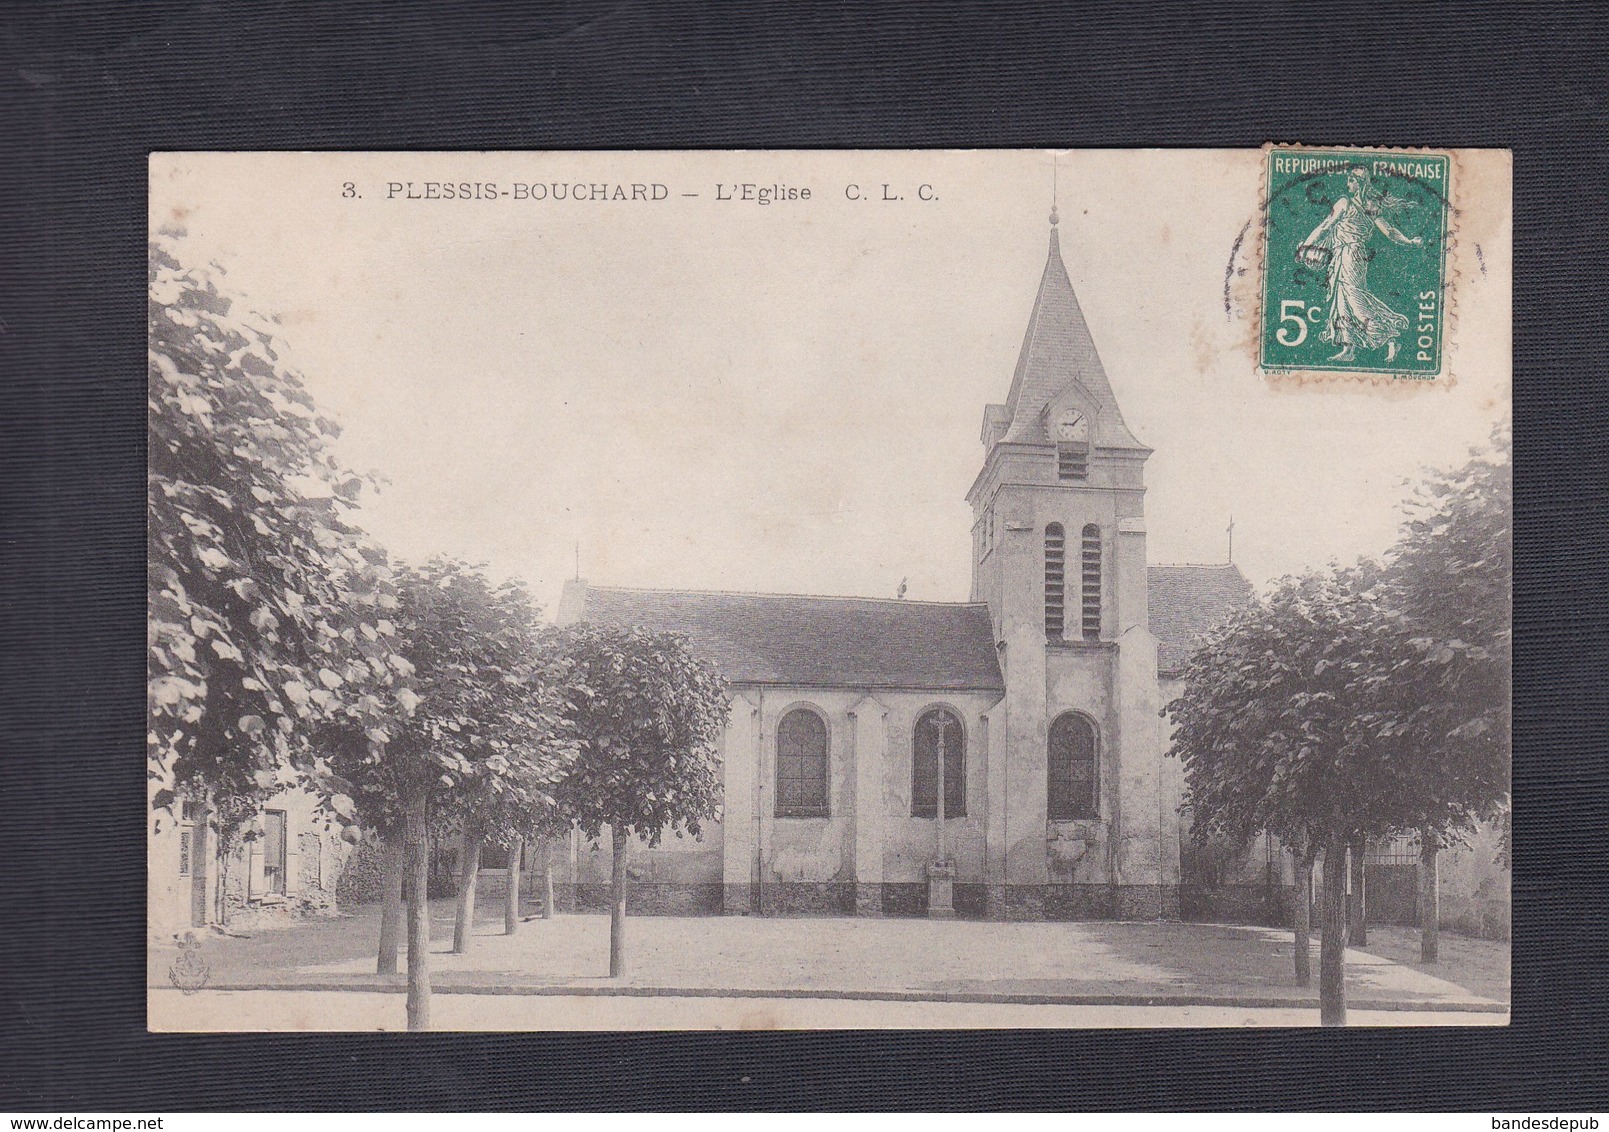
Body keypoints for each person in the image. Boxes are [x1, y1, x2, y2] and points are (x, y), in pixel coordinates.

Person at [1296, 167, 1424, 363]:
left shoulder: (1345, 203)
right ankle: (1348, 349)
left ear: (1359, 182)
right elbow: (1389, 231)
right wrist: (1408, 241)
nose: (1348, 184)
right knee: (1342, 301)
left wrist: (1305, 246)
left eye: (1351, 180)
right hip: (1346, 255)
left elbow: (1325, 226)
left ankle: (1390, 336)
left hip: (1350, 254)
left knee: (1356, 302)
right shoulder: (1370, 205)